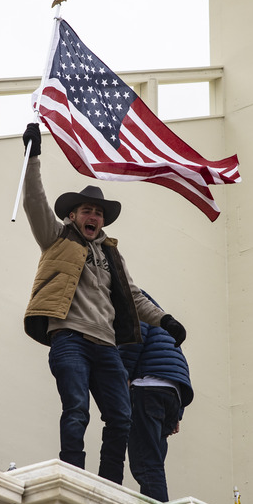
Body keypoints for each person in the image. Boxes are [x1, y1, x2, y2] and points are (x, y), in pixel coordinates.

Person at [20, 123, 187, 485]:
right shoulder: (56, 238)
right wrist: (32, 156)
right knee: (77, 408)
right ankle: (73, 476)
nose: (93, 217)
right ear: (73, 215)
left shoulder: (112, 254)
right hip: (70, 338)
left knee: (121, 416)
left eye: (98, 212)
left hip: (107, 345)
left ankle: (108, 483)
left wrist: (165, 320)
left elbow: (133, 295)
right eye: (86, 211)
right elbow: (34, 202)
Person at [119, 290, 193, 502]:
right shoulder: (162, 322)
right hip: (172, 393)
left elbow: (134, 339)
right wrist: (178, 413)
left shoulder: (136, 305)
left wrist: (124, 376)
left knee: (145, 462)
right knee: (154, 462)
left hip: (147, 388)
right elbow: (179, 365)